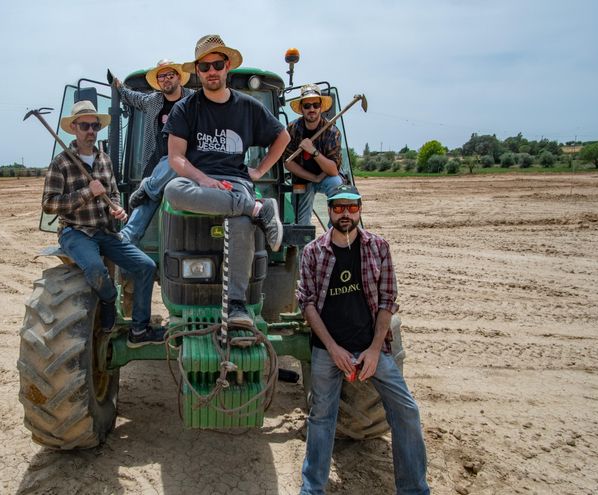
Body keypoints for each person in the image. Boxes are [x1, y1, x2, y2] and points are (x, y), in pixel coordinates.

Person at [297, 184, 429, 494]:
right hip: (329, 351)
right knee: (321, 417)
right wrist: (333, 349)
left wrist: (373, 350)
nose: (345, 213)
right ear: (329, 211)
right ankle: (312, 488)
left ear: (360, 209)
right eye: (339, 207)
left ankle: (413, 489)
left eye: (351, 207)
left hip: (371, 349)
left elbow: (387, 301)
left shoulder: (378, 248)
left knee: (406, 410)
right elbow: (307, 303)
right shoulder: (313, 252)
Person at [162, 34, 291, 328]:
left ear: (227, 66)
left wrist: (258, 171)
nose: (211, 71)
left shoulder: (247, 107)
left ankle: (236, 305)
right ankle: (258, 209)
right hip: (198, 183)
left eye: (216, 64)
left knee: (240, 221)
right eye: (204, 67)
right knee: (172, 189)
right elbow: (176, 158)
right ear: (197, 71)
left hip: (235, 181)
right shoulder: (186, 108)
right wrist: (202, 179)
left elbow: (283, 137)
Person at [42, 100, 165, 348]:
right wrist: (87, 193)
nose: (90, 130)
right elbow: (49, 204)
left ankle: (139, 330)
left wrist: (117, 208)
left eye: (94, 126)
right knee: (96, 269)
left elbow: (113, 193)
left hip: (106, 231)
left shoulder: (105, 160)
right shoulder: (62, 163)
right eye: (85, 125)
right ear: (74, 128)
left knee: (146, 266)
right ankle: (109, 301)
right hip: (76, 232)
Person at [112, 60, 195, 245]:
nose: (166, 79)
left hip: (185, 165)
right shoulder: (152, 101)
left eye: (170, 75)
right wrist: (119, 87)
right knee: (146, 202)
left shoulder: (193, 100)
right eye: (161, 76)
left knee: (177, 161)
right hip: (157, 164)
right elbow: (132, 97)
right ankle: (126, 240)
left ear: (179, 77)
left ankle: (148, 187)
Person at [284, 83, 343, 226]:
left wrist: (313, 151)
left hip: (325, 177)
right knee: (301, 220)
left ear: (321, 107)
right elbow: (287, 162)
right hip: (303, 178)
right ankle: (303, 245)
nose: (312, 109)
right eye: (307, 106)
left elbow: (333, 170)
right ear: (301, 109)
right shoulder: (292, 129)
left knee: (337, 184)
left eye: (315, 105)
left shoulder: (332, 132)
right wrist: (313, 178)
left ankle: (332, 236)